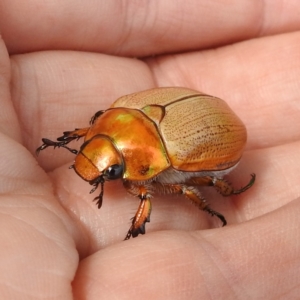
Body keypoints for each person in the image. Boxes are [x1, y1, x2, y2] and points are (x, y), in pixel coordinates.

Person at [0, 1, 299, 299]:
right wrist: (69, 139)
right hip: (165, 110)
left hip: (213, 133)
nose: (100, 170)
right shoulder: (119, 110)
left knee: (186, 188)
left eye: (112, 172)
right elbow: (95, 129)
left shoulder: (157, 164)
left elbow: (165, 189)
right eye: (88, 144)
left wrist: (212, 196)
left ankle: (193, 204)